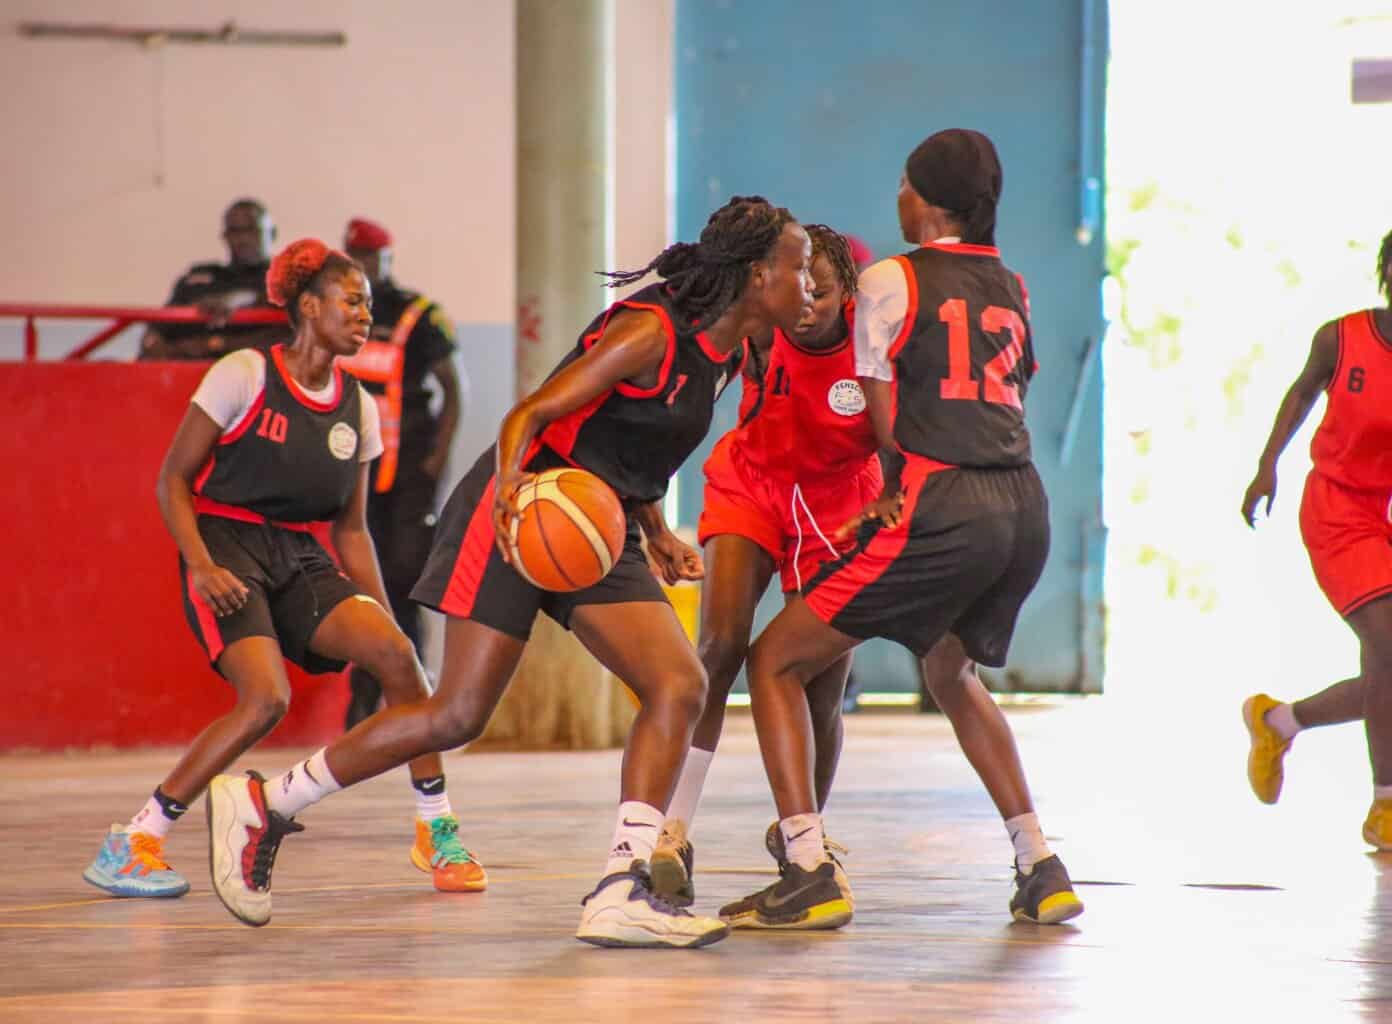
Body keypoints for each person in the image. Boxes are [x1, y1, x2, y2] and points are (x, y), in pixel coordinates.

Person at [204, 196, 815, 948]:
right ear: (757, 276)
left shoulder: (730, 353)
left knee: (679, 683)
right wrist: (508, 500)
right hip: (520, 504)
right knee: (457, 715)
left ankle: (620, 890)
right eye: (800, 267)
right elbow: (527, 415)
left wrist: (653, 528)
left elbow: (631, 448)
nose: (811, 281)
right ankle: (270, 803)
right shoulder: (648, 332)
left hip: (595, 522)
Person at [720, 129, 1084, 931]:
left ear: (917, 201)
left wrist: (889, 490)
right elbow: (1012, 387)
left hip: (943, 504)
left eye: (902, 183)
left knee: (774, 660)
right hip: (1025, 506)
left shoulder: (890, 277)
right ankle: (1040, 863)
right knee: (951, 675)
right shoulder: (1012, 282)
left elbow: (882, 409)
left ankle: (808, 865)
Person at [84, 239, 483, 901]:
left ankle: (435, 830)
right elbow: (172, 482)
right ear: (308, 305)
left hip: (300, 553)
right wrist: (202, 563)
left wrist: (384, 617)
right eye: (352, 301)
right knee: (266, 699)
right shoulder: (245, 372)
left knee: (399, 657)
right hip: (224, 543)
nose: (365, 315)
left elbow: (351, 530)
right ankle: (133, 841)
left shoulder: (358, 406)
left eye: (368, 304)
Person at [1241, 228, 1392, 849]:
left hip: (1383, 516)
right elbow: (1301, 392)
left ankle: (1278, 721)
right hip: (1335, 510)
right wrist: (1266, 465)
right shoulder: (1343, 336)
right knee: (1388, 646)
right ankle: (1385, 807)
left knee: (1387, 667)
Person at [337, 218, 463, 728]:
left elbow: (455, 391)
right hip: (357, 475)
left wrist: (436, 464)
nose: (365, 269)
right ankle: (365, 693)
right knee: (364, 585)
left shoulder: (420, 315)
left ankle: (410, 690)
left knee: (406, 577)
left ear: (387, 258)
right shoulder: (342, 314)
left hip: (410, 471)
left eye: (372, 258)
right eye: (355, 259)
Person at [138, 199, 290, 361]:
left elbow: (290, 338)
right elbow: (156, 332)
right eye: (235, 231)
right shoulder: (198, 278)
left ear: (272, 233)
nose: (243, 240)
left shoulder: (287, 281)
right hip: (185, 370)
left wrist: (215, 344)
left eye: (251, 230)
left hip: (255, 373)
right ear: (225, 236)